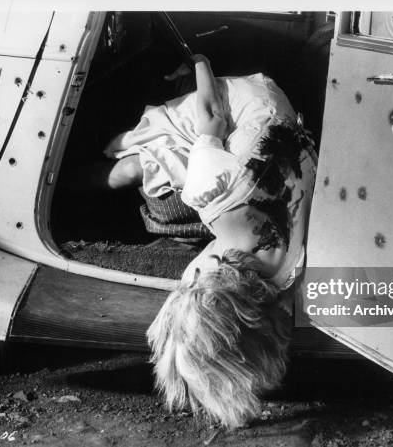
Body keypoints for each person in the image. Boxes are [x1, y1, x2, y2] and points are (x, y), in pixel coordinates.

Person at [105, 55, 317, 428]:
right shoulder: (211, 192)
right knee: (132, 175)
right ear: (207, 275)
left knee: (164, 208)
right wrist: (200, 60)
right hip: (246, 104)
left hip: (285, 131)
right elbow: (214, 116)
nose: (184, 280)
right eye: (187, 285)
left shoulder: (287, 276)